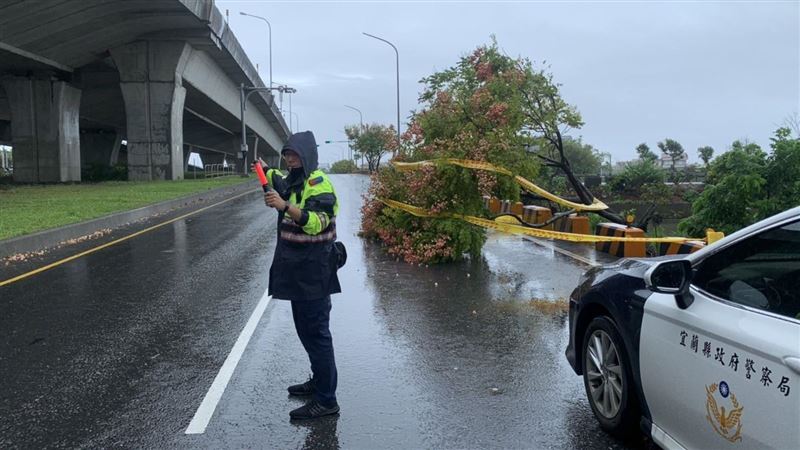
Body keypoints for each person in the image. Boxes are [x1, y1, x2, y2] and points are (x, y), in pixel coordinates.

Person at [259, 130, 341, 420]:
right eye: (286, 155)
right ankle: (318, 382)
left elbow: (317, 222)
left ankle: (327, 400)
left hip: (314, 271)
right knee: (306, 331)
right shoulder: (295, 179)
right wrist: (262, 168)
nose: (289, 160)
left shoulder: (318, 184)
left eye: (294, 155)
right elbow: (276, 179)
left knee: (317, 333)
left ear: (307, 157)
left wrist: (284, 207)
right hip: (299, 270)